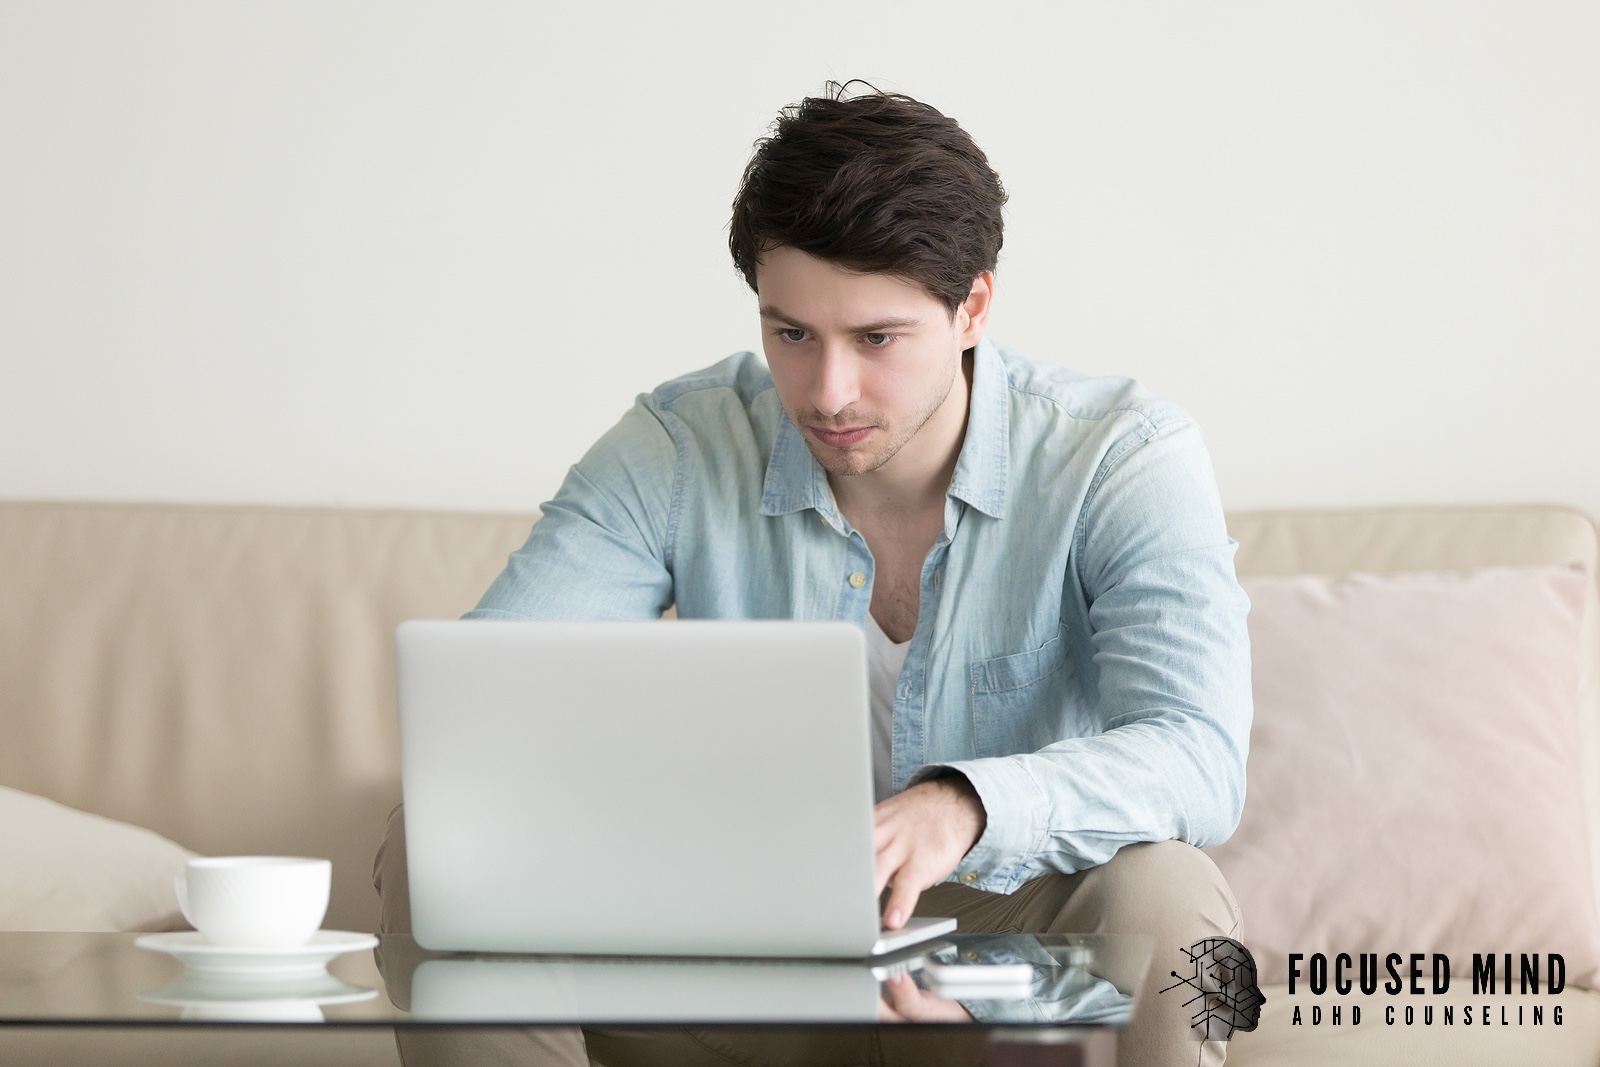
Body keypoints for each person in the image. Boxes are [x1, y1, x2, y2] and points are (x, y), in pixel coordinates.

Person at [375, 83, 1251, 1067]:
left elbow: (1198, 755)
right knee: (441, 843)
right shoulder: (676, 444)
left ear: (972, 308)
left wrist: (964, 804)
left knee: (1164, 887)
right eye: (790, 333)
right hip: (733, 945)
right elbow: (493, 711)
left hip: (991, 962)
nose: (827, 392)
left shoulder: (1121, 455)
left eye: (875, 339)